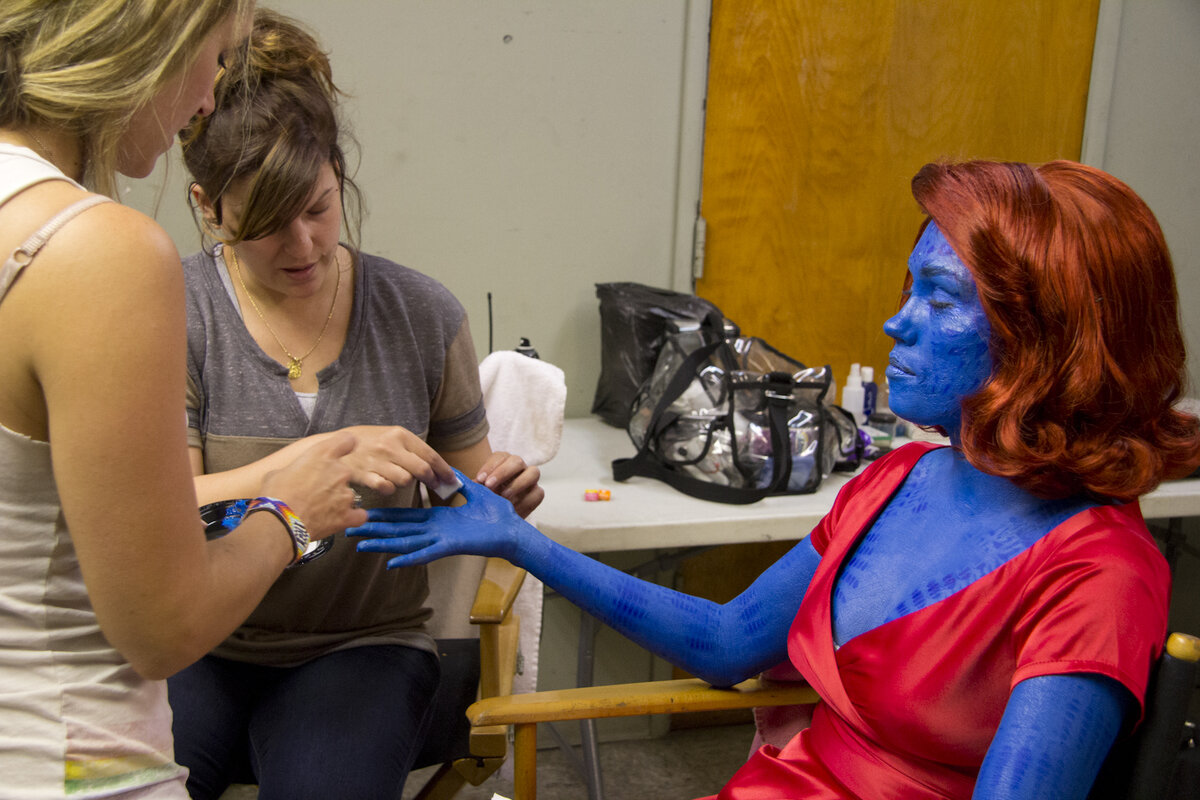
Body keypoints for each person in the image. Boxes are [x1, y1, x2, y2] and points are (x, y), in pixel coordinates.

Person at [352, 159, 1200, 799]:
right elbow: (728, 642)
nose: (895, 322)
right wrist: (518, 540)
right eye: (910, 289)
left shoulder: (1099, 574)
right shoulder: (899, 479)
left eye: (939, 299)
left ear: (1050, 341)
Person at [0, 2, 383, 798]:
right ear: (153, 40)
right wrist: (289, 512)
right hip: (64, 754)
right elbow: (164, 628)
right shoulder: (99, 252)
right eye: (214, 57)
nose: (207, 97)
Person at [166, 10, 544, 800]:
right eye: (266, 225)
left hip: (363, 645)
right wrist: (315, 460)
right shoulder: (172, 311)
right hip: (200, 636)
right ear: (208, 205)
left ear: (338, 173)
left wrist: (499, 493)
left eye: (319, 208)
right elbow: (164, 504)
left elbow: (465, 496)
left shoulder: (421, 315)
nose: (303, 246)